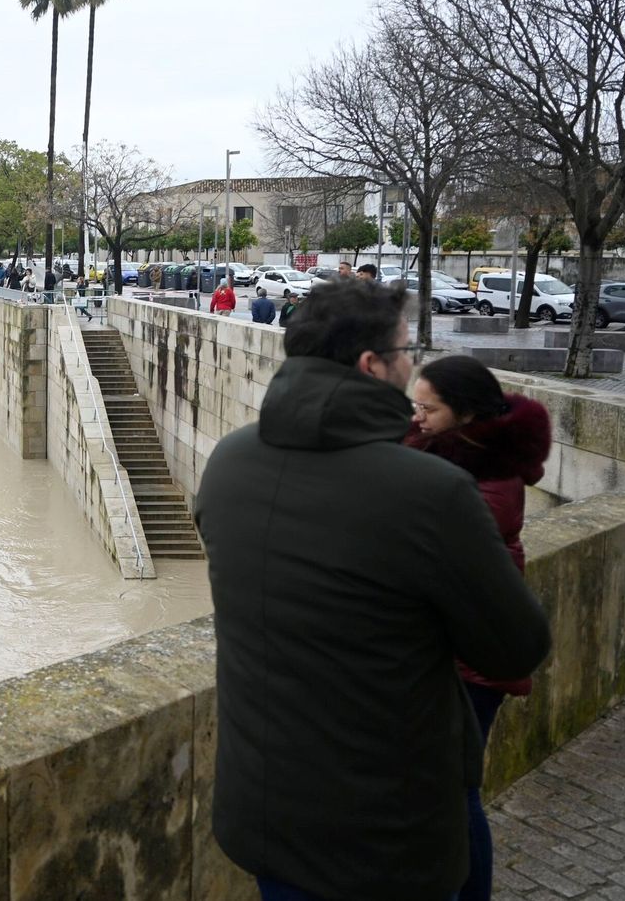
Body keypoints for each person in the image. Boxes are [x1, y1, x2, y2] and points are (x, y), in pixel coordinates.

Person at [194, 281, 550, 901]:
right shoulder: (431, 493)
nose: (414, 364)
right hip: (384, 835)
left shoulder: (227, 463)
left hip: (263, 812)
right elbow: (516, 649)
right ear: (371, 366)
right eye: (407, 349)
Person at [404, 355, 551, 901]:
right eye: (414, 405)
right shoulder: (460, 452)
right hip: (461, 654)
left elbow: (437, 554)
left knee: (457, 792)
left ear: (464, 413)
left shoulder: (485, 476)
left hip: (471, 664)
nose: (417, 417)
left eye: (429, 409)